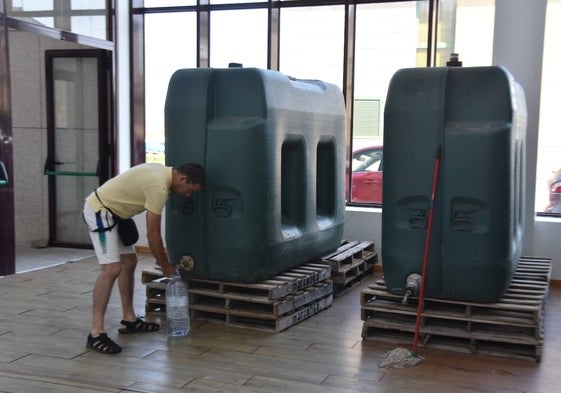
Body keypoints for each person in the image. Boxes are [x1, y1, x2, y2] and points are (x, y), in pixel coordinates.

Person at [82, 162, 205, 354]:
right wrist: (164, 265)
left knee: (129, 262)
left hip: (117, 215)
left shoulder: (162, 173)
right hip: (100, 210)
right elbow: (153, 234)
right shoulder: (159, 187)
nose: (187, 195)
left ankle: (129, 320)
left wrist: (162, 262)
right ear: (182, 178)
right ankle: (96, 333)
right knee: (112, 269)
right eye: (189, 190)